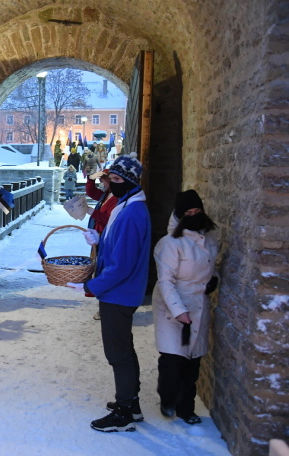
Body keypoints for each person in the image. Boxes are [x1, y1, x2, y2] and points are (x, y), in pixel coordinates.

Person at [66, 153, 151, 433]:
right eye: (110, 179)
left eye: (116, 179)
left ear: (128, 181)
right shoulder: (126, 205)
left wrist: (90, 286)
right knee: (123, 348)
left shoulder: (131, 212)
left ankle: (125, 411)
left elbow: (122, 266)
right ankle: (131, 403)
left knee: (118, 353)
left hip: (119, 293)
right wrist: (100, 240)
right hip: (119, 291)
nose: (111, 184)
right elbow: (121, 248)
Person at [153, 190, 219, 425]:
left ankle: (186, 408)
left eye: (197, 211)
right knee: (173, 359)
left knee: (192, 362)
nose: (194, 216)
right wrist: (179, 310)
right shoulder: (170, 243)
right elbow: (165, 281)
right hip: (173, 306)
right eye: (188, 213)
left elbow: (210, 264)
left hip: (198, 304)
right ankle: (168, 399)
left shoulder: (210, 237)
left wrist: (213, 279)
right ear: (180, 216)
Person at [84, 168, 119, 317]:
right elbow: (91, 192)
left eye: (102, 179)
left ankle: (106, 305)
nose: (101, 182)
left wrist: (93, 212)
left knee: (104, 271)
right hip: (98, 236)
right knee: (99, 269)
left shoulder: (116, 198)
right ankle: (103, 304)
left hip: (106, 238)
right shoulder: (106, 194)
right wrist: (91, 178)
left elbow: (109, 219)